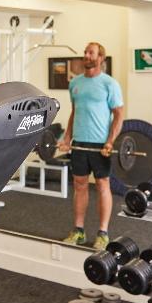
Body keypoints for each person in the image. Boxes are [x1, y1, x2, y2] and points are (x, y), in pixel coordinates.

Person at [59, 42, 124, 250]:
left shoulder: (109, 84)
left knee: (103, 184)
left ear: (100, 57)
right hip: (79, 142)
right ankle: (78, 230)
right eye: (85, 52)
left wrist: (110, 141)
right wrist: (67, 138)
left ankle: (103, 233)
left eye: (91, 52)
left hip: (100, 144)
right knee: (79, 185)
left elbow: (119, 114)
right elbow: (74, 111)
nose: (86, 55)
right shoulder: (75, 83)